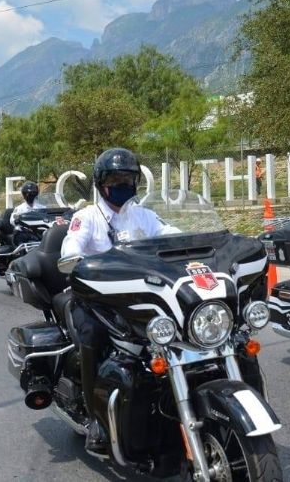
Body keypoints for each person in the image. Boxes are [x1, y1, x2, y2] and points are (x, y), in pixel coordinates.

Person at [61, 147, 178, 455]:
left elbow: (170, 234)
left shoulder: (143, 215)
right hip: (93, 301)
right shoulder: (86, 217)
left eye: (128, 177)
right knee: (93, 337)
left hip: (137, 298)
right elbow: (71, 248)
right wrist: (74, 258)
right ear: (101, 183)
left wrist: (194, 241)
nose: (123, 183)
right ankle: (96, 419)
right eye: (116, 177)